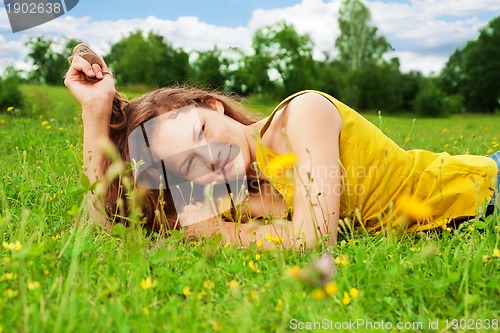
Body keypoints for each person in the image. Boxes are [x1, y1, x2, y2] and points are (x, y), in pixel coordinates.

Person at [64, 44, 499, 249]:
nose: (211, 158)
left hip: (484, 192)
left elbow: (312, 240)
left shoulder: (303, 114)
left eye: (200, 134)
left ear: (213, 106)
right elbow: (103, 227)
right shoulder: (232, 193)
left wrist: (215, 232)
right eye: (189, 165)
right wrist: (96, 112)